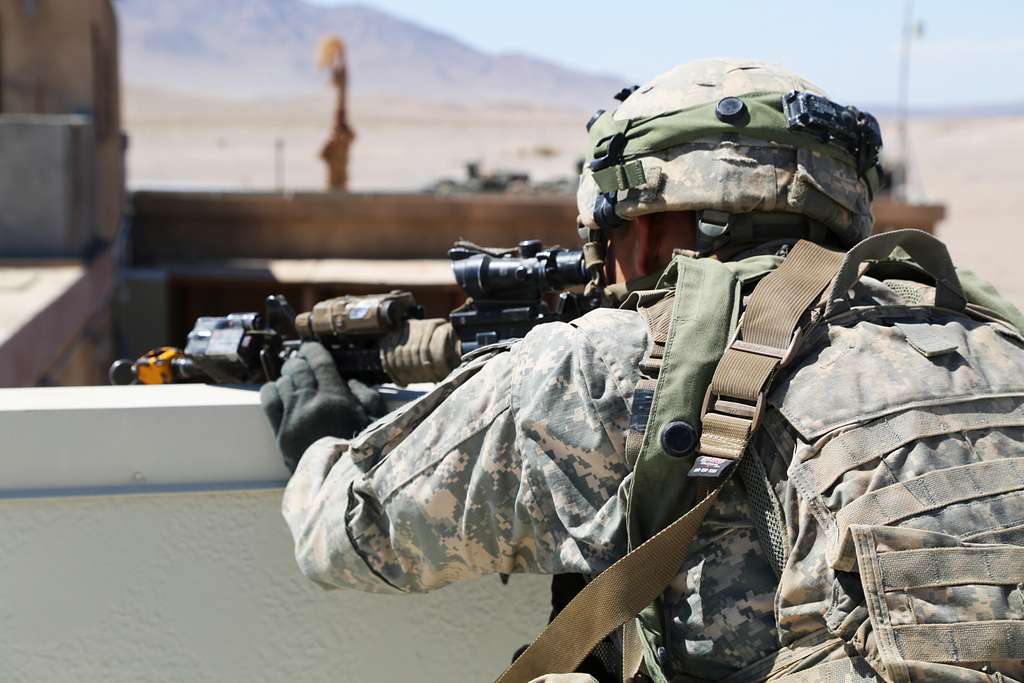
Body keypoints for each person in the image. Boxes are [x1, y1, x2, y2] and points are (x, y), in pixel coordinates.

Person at [261, 59, 1024, 682]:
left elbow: (350, 535)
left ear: (653, 223)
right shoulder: (984, 336)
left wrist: (324, 436)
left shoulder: (605, 365)